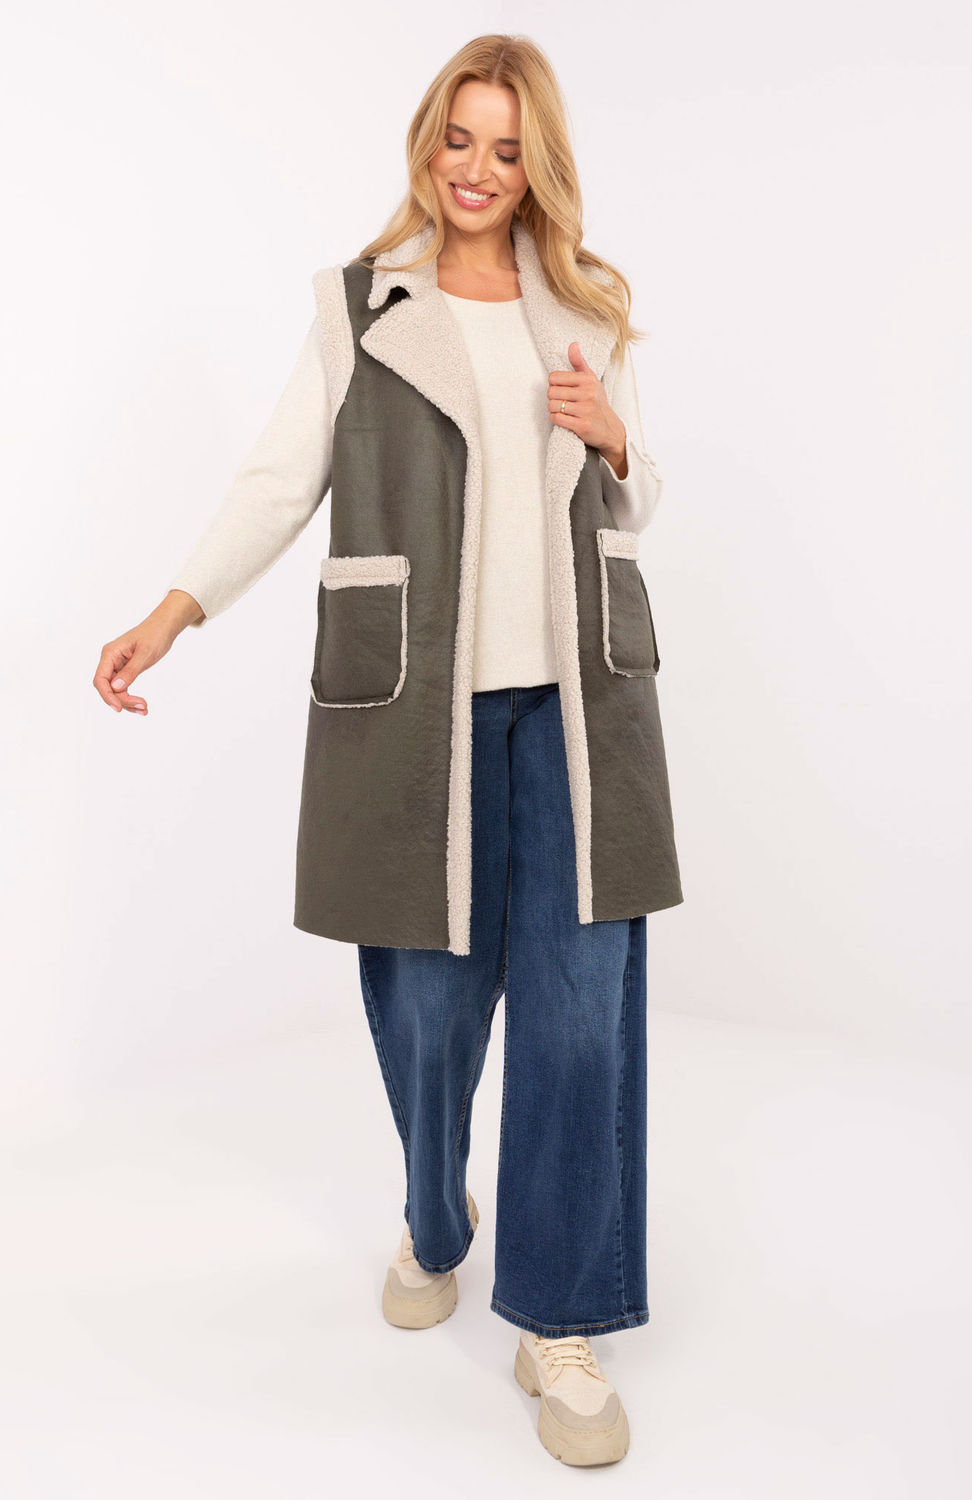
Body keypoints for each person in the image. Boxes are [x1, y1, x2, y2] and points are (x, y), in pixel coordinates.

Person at [93, 34, 683, 1468]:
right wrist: (174, 610)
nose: (477, 170)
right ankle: (436, 1214)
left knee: (578, 1017)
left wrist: (614, 441)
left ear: (536, 168)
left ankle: (559, 1317)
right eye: (457, 139)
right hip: (423, 710)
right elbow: (279, 478)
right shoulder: (360, 308)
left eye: (506, 149)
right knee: (429, 1008)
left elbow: (639, 495)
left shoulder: (585, 311)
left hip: (576, 716)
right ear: (427, 145)